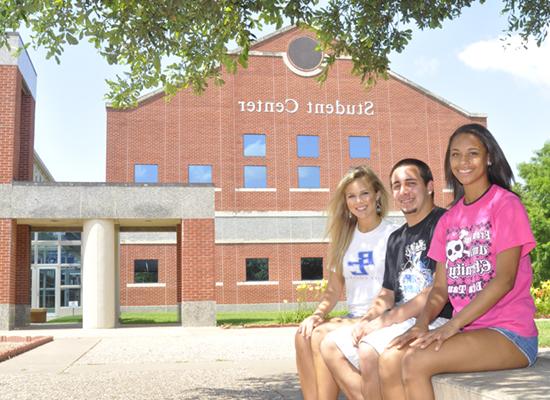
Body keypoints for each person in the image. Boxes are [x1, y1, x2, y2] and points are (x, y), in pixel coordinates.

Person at [387, 123, 538, 400]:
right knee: (398, 356)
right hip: (470, 331)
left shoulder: (505, 205)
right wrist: (421, 324)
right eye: (455, 155)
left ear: (489, 157)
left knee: (414, 361)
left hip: (510, 334)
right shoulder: (449, 219)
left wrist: (451, 326)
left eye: (472, 154)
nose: (463, 162)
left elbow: (504, 280)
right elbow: (439, 289)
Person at [320, 158, 453, 400]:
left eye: (411, 183)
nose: (404, 192)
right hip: (402, 318)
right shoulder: (397, 237)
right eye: (397, 185)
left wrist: (383, 321)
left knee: (369, 350)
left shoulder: (443, 223)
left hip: (437, 317)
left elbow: (434, 290)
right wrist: (369, 319)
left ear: (430, 186)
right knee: (330, 345)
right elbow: (387, 292)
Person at [295, 165, 398, 400]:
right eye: (351, 196)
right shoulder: (344, 238)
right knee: (303, 334)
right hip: (353, 317)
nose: (358, 201)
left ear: (377, 195)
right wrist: (317, 314)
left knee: (321, 337)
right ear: (345, 201)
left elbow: (395, 292)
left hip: (381, 317)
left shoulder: (393, 234)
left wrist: (369, 319)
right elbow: (333, 289)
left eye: (364, 193)